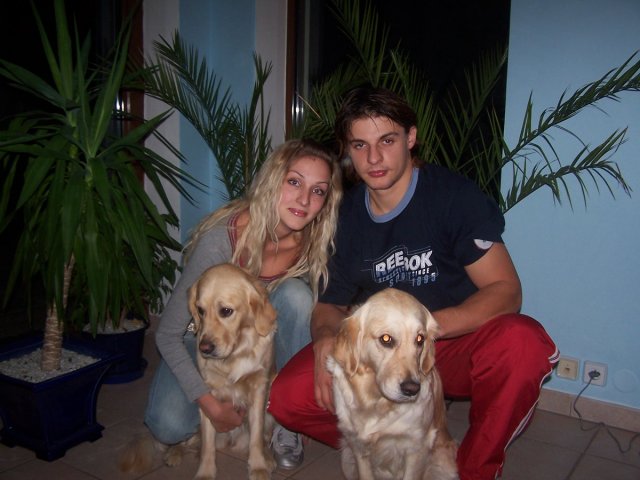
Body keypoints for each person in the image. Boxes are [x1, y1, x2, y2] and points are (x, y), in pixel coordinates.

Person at [268, 87, 559, 479]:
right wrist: (324, 339)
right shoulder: (345, 218)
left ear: (410, 138)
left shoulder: (454, 198)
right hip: (382, 351)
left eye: (387, 141)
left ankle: (473, 469)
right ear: (347, 151)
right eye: (359, 145)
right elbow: (329, 304)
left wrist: (428, 329)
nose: (373, 158)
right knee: (287, 399)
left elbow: (507, 291)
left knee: (524, 343)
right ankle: (389, 447)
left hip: (454, 343)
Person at [144, 138, 343, 470]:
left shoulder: (313, 246)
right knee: (167, 426)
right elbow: (166, 334)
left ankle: (288, 421)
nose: (304, 199)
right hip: (202, 336)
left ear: (325, 202)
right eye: (294, 182)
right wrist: (209, 404)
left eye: (318, 191)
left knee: (297, 297)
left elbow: (319, 315)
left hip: (259, 338)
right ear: (273, 180)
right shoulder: (221, 240)